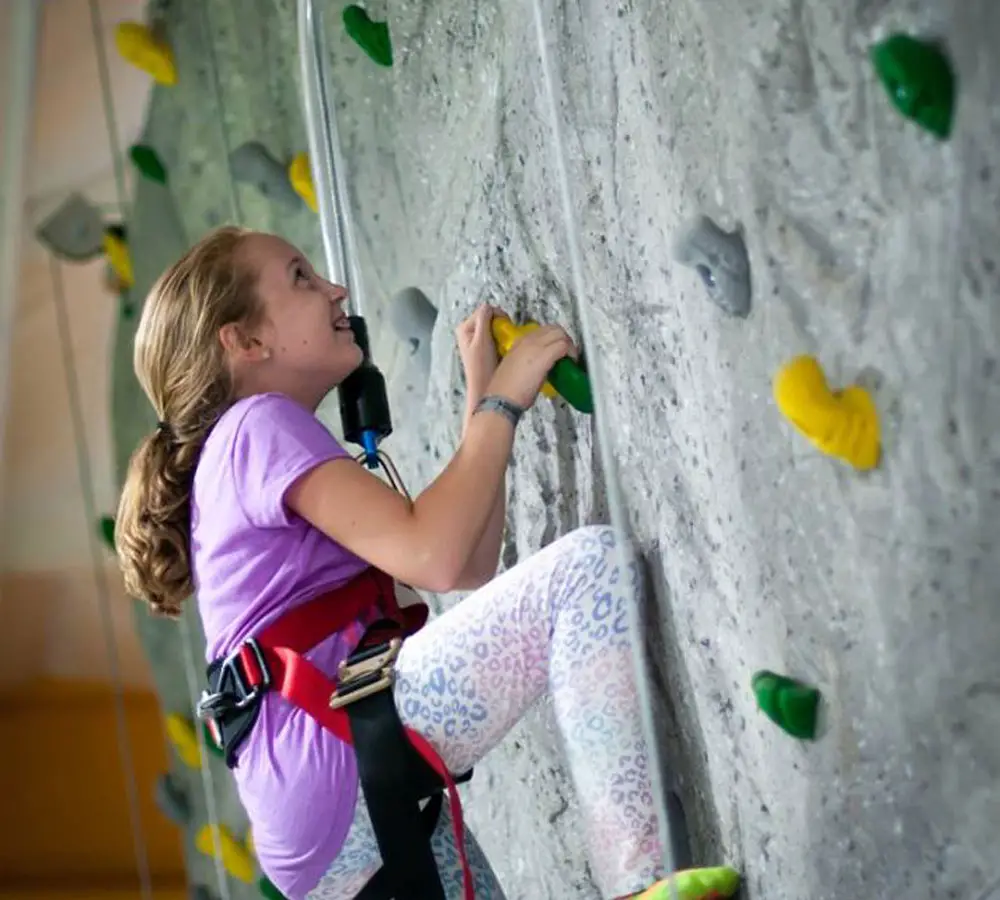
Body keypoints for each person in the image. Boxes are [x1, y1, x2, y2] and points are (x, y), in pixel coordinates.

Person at [115, 225, 740, 900]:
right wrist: (504, 402)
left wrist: (484, 399)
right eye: (299, 276)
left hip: (318, 821)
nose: (336, 289)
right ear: (244, 341)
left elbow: (466, 560)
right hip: (335, 758)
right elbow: (436, 557)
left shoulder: (240, 459)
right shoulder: (255, 429)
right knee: (586, 573)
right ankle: (639, 884)